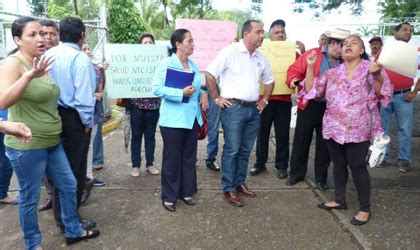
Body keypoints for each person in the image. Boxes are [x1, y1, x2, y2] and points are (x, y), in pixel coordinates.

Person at [0, 16, 99, 249]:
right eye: (32, 35)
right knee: (29, 198)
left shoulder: (42, 60)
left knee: (69, 185)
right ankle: (33, 244)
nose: (41, 39)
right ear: (18, 39)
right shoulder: (14, 63)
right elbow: (3, 101)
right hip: (28, 145)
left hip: (52, 141)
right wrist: (28, 76)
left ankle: (73, 229)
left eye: (42, 34)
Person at [304, 35, 393, 225]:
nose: (347, 46)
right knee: (337, 165)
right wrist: (310, 67)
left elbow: (382, 93)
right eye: (345, 44)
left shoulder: (370, 69)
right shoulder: (332, 73)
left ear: (362, 50)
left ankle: (365, 208)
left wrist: (377, 76)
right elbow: (311, 90)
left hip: (359, 129)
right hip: (333, 127)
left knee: (358, 167)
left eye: (353, 43)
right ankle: (340, 200)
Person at [206, 20, 274, 207]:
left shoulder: (261, 57)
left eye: (263, 32)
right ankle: (229, 188)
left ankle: (239, 183)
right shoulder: (231, 51)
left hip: (254, 110)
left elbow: (270, 81)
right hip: (233, 109)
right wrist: (217, 98)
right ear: (246, 34)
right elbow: (210, 74)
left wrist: (265, 100)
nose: (262, 36)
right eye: (258, 32)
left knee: (245, 150)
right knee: (232, 149)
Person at [45, 16, 97, 232]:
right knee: (74, 171)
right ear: (82, 34)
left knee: (57, 169)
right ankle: (70, 219)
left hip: (49, 116)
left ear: (59, 33)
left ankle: (60, 216)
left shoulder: (47, 55)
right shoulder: (80, 59)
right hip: (73, 118)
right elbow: (84, 96)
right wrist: (87, 121)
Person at [285, 28, 350, 191]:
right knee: (301, 140)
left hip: (331, 108)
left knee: (325, 144)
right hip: (310, 104)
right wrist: (294, 80)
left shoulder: (345, 60)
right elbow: (294, 70)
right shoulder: (312, 54)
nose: (343, 50)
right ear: (333, 44)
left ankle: (321, 178)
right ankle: (296, 174)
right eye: (342, 46)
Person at [153, 29, 207, 212]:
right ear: (178, 44)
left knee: (189, 158)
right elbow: (157, 89)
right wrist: (180, 93)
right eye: (189, 41)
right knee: (172, 158)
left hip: (191, 118)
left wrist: (203, 94)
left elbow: (197, 87)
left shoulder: (193, 64)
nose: (193, 44)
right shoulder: (166, 63)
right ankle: (169, 195)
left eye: (193, 41)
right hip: (173, 121)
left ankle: (186, 191)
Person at [251, 19, 298, 179]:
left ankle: (282, 166)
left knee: (282, 134)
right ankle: (260, 163)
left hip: (284, 100)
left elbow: (302, 68)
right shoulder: (259, 50)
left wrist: (303, 52)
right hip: (263, 98)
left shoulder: (292, 52)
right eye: (277, 32)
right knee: (262, 132)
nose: (280, 35)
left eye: (282, 32)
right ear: (269, 36)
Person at [379, 22, 420, 172]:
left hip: (404, 96)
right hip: (385, 96)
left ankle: (404, 160)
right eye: (404, 29)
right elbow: (375, 69)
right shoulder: (385, 50)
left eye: (410, 30)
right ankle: (382, 156)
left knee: (404, 129)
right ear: (395, 33)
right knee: (382, 128)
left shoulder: (415, 52)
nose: (408, 32)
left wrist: (414, 92)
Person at [129, 33, 161, 177]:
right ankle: (135, 165)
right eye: (145, 43)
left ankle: (150, 164)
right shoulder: (133, 61)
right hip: (136, 105)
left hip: (153, 106)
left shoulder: (161, 62)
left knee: (150, 135)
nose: (148, 45)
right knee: (136, 136)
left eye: (150, 42)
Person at [38, 19, 60, 212]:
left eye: (52, 34)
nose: (47, 38)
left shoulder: (63, 58)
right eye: (43, 33)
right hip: (38, 122)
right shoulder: (31, 59)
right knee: (43, 168)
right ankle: (52, 196)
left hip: (61, 118)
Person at [80, 42, 106, 204]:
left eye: (89, 49)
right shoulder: (75, 67)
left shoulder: (97, 69)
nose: (87, 51)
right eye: (83, 49)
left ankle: (88, 177)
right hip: (78, 116)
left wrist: (100, 94)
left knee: (89, 146)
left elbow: (102, 88)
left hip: (94, 114)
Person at [0, 109, 29, 205]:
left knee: (7, 163)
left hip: (7, 122)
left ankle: (2, 194)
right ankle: (2, 194)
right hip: (5, 123)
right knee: (7, 163)